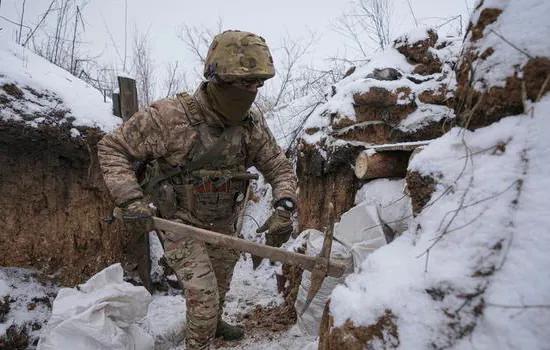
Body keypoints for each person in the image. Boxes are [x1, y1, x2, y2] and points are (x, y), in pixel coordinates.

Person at [97, 29, 298, 350]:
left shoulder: (251, 123)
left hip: (224, 222)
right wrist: (131, 200)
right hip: (179, 223)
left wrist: (284, 205)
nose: (252, 92)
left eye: (258, 84)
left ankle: (214, 324)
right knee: (203, 296)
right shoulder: (170, 116)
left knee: (220, 285)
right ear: (218, 80)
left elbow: (278, 165)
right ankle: (200, 341)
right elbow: (113, 147)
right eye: (244, 84)